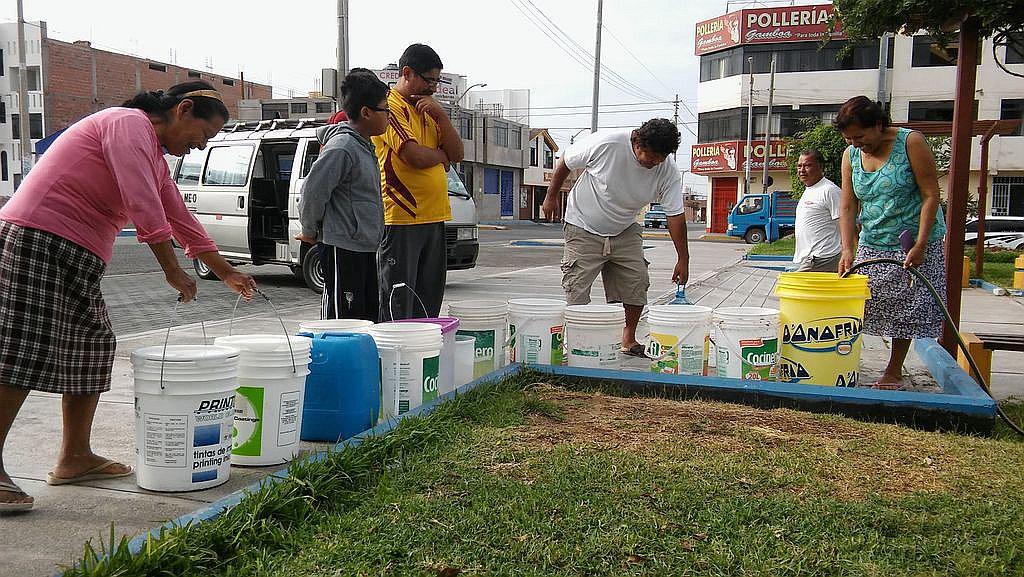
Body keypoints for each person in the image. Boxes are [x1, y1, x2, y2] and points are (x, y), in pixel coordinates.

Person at [0, 81, 256, 512]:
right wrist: (171, 269)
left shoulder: (155, 157)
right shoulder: (127, 124)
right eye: (204, 134)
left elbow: (177, 213)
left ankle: (75, 457)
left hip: (78, 253)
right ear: (184, 109)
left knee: (92, 348)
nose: (200, 145)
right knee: (22, 351)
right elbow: (143, 203)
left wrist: (226, 271)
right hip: (37, 238)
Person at [542, 118, 690, 358]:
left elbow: (675, 215)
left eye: (661, 158)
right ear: (637, 142)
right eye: (651, 156)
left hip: (625, 227)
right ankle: (578, 340)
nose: (655, 162)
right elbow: (565, 161)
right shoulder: (608, 143)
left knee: (637, 281)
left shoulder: (668, 170)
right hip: (583, 224)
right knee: (576, 286)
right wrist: (551, 196)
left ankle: (628, 338)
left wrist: (683, 259)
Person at [835, 96, 947, 390]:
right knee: (862, 301)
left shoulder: (911, 143)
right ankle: (842, 358)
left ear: (878, 124)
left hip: (912, 241)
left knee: (907, 306)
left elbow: (931, 195)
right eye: (849, 139)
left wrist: (921, 243)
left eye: (860, 136)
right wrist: (847, 248)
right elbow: (848, 205)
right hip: (873, 239)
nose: (856, 144)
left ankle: (894, 370)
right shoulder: (850, 155)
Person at [372, 44, 464, 319]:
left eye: (437, 81)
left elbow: (457, 154)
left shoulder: (429, 109)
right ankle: (396, 347)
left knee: (428, 302)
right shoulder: (390, 107)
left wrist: (442, 116)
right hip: (402, 217)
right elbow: (414, 155)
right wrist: (441, 156)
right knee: (399, 302)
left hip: (434, 216)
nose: (433, 88)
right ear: (407, 73)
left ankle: (426, 346)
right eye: (428, 80)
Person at [297, 69, 391, 322]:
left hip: (364, 246)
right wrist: (309, 230)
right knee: (343, 320)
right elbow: (312, 191)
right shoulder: (343, 147)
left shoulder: (364, 145)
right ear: (366, 112)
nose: (389, 116)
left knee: (367, 318)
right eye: (386, 110)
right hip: (343, 248)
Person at [793, 148, 842, 272]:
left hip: (822, 256)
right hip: (809, 257)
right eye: (799, 166)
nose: (802, 170)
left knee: (789, 284)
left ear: (820, 167)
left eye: (807, 166)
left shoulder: (830, 190)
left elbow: (847, 222)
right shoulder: (810, 190)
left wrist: (850, 254)